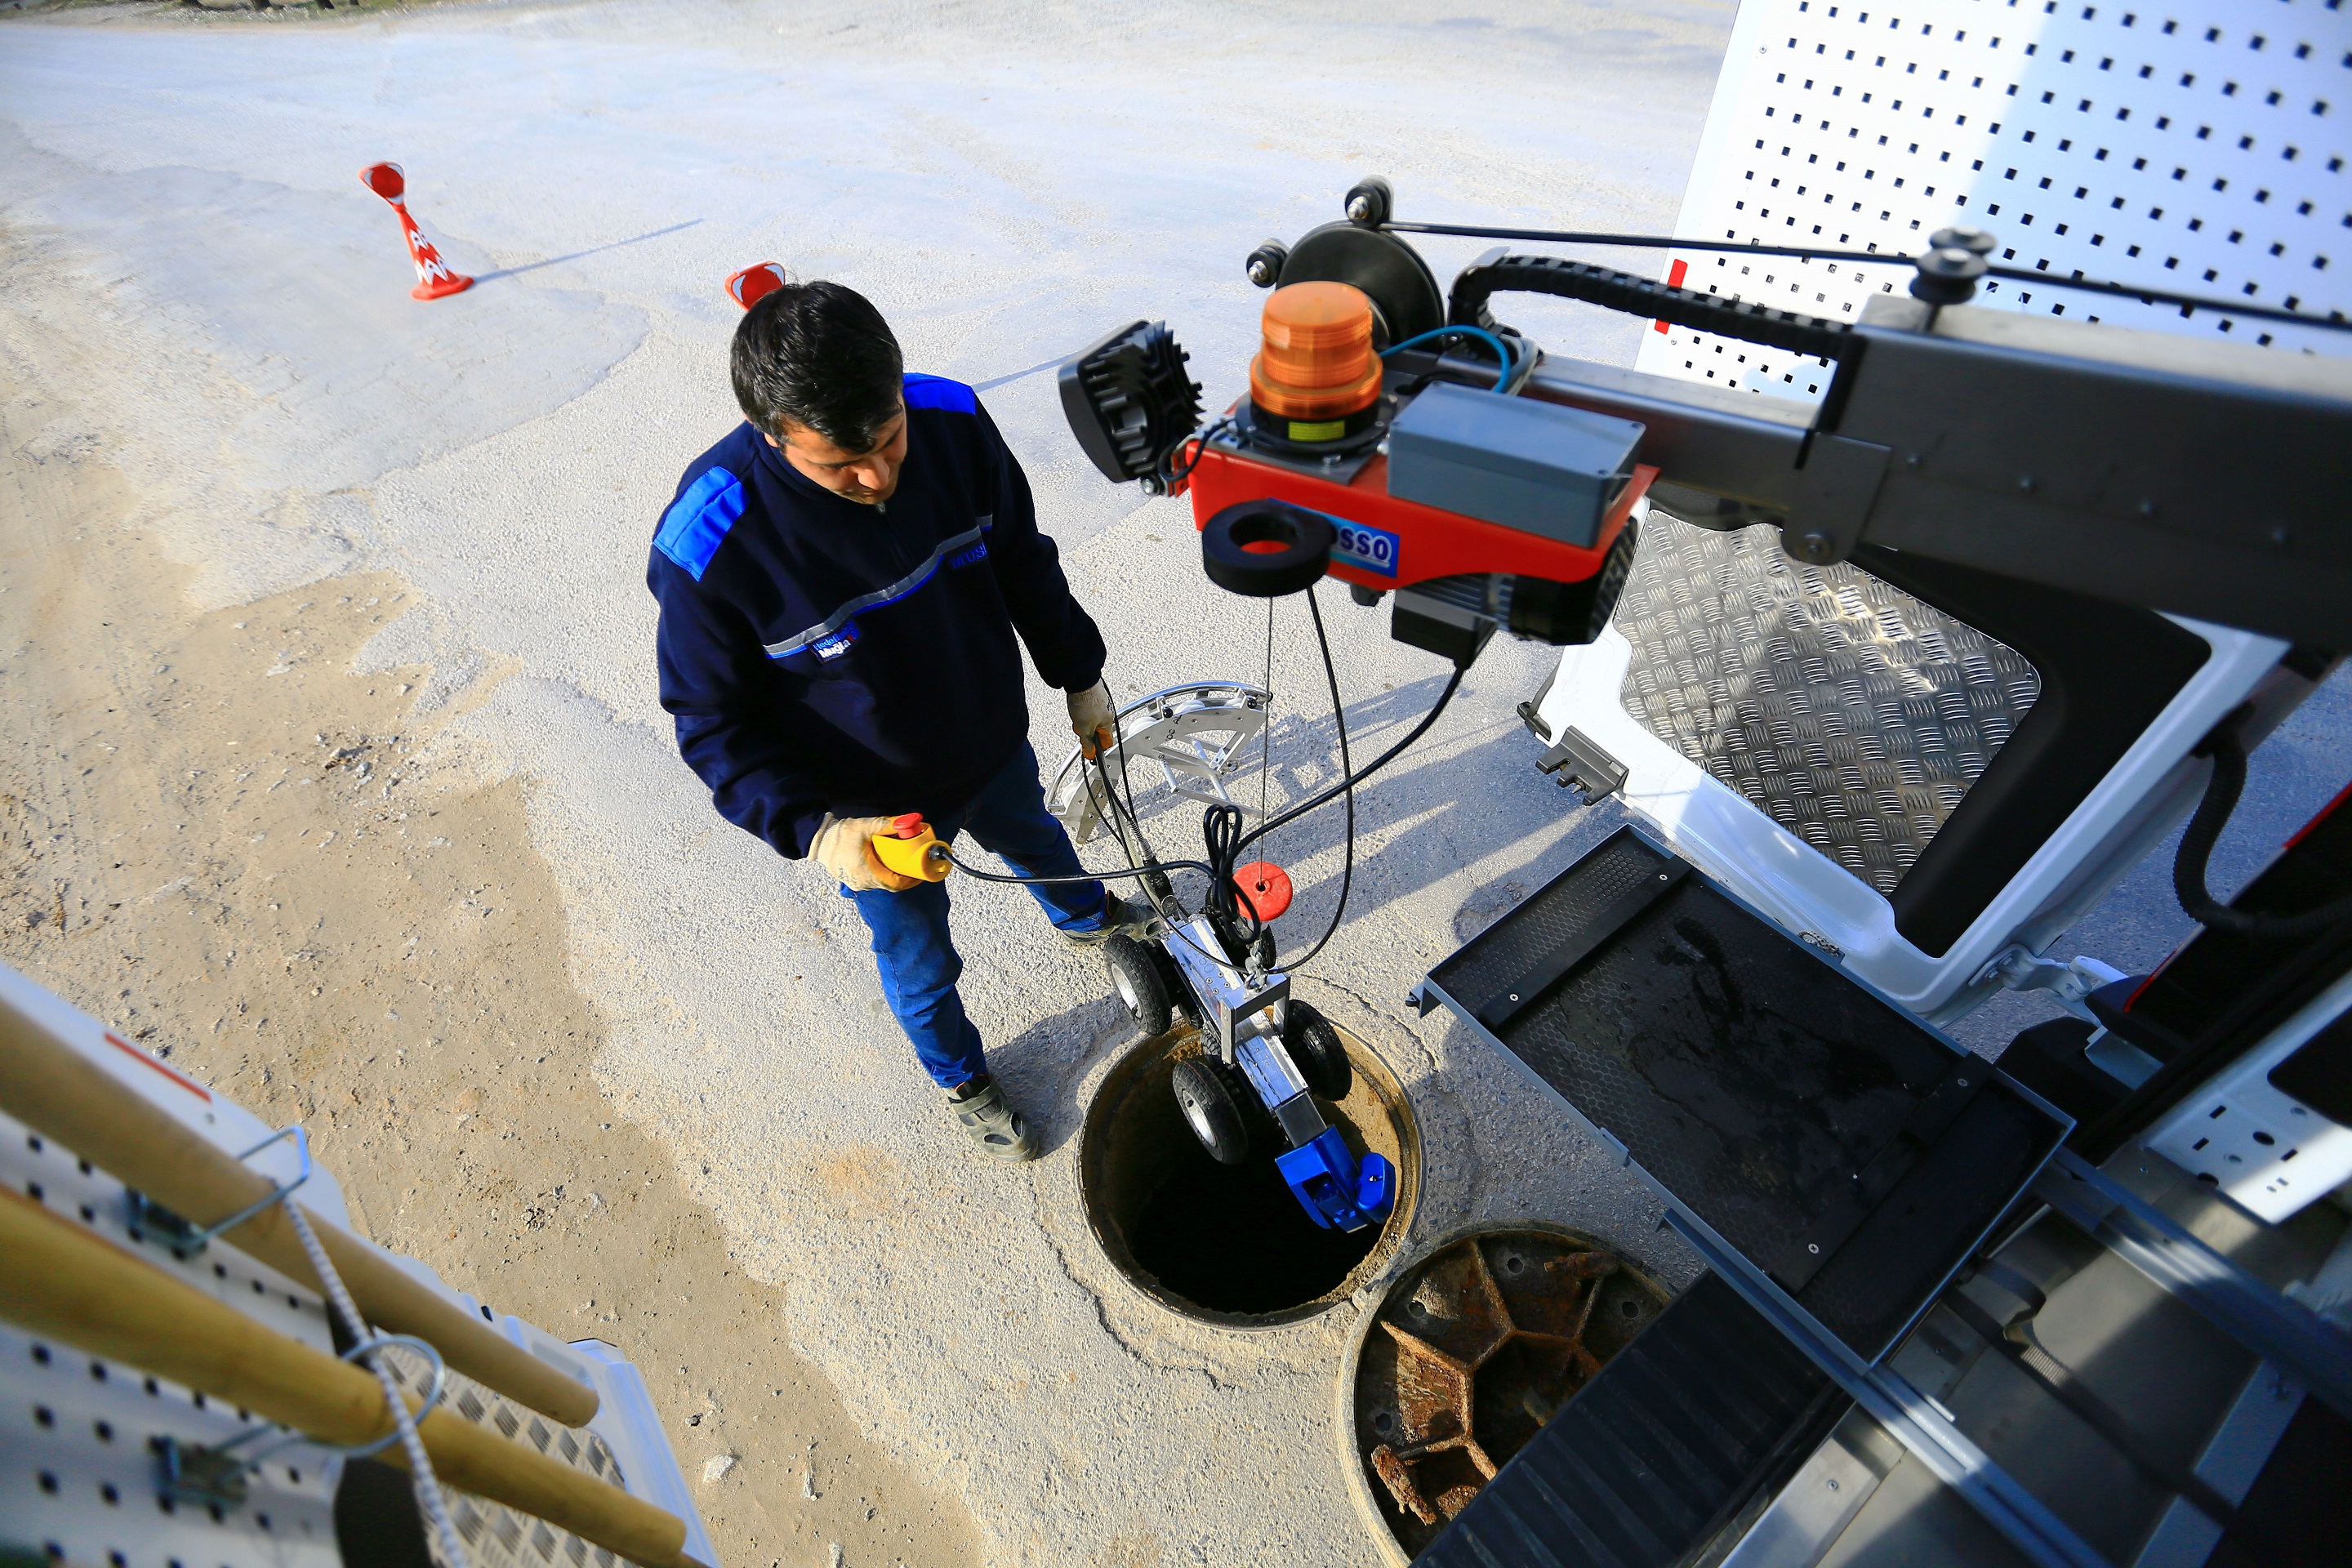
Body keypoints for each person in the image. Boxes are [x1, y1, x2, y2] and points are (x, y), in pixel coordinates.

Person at [647, 278, 1134, 1162]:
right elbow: (711, 722)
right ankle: (961, 1077)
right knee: (921, 962)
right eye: (842, 463)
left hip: (989, 740)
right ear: (773, 434)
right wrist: (816, 830)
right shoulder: (711, 544)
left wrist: (1080, 674)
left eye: (887, 438)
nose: (878, 476)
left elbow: (1022, 559)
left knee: (1037, 837)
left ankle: (1086, 916)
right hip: (879, 817)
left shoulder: (950, 420)